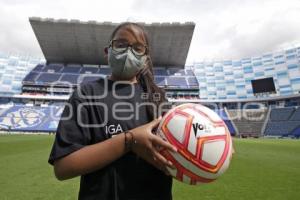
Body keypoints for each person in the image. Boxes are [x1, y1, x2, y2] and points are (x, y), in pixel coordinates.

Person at [48, 22, 177, 200]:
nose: (128, 52)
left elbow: (180, 151)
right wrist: (129, 140)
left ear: (145, 57)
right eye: (120, 44)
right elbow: (63, 167)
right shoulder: (86, 94)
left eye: (137, 48)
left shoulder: (158, 98)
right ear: (107, 51)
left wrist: (216, 148)